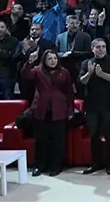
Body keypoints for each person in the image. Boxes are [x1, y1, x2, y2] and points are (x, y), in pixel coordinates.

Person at [20, 49, 73, 177]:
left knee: (58, 141)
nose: (53, 61)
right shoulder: (37, 70)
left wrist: (70, 109)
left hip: (59, 110)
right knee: (41, 141)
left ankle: (56, 166)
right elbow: (26, 75)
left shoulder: (64, 72)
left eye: (55, 58)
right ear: (44, 60)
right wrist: (29, 62)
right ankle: (39, 166)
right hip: (41, 109)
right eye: (50, 59)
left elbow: (69, 92)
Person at [79, 39, 110, 175]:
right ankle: (96, 163)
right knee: (94, 135)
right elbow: (81, 81)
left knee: (109, 135)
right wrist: (90, 73)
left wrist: (101, 74)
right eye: (98, 47)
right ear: (92, 49)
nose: (101, 49)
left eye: (103, 47)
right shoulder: (86, 63)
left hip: (107, 104)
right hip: (91, 105)